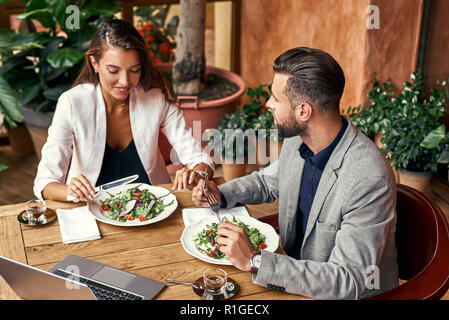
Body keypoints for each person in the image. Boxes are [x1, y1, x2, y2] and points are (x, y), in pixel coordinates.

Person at [192, 47, 398, 299]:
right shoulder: (300, 138)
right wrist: (221, 194)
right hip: (290, 273)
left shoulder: (367, 178)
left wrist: (255, 260)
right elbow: (270, 182)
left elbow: (348, 281)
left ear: (303, 111)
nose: (268, 104)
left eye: (275, 99)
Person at [34, 19, 213, 202]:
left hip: (153, 205)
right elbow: (45, 182)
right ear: (94, 63)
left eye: (134, 70)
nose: (125, 81)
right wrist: (70, 191)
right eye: (113, 70)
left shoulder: (156, 98)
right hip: (91, 208)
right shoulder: (72, 103)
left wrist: (198, 174)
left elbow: (199, 157)